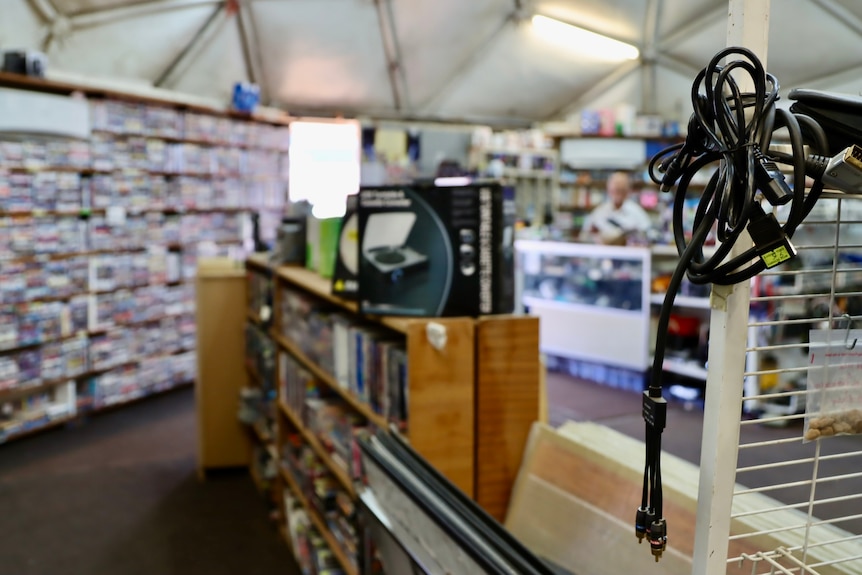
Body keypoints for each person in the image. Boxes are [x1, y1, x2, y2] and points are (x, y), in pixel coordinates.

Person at [580, 171, 653, 245]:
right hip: (603, 254)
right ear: (608, 190)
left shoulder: (638, 213)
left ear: (628, 191)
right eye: (615, 190)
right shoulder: (599, 212)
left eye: (622, 190)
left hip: (628, 254)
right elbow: (584, 236)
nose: (618, 194)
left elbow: (648, 236)